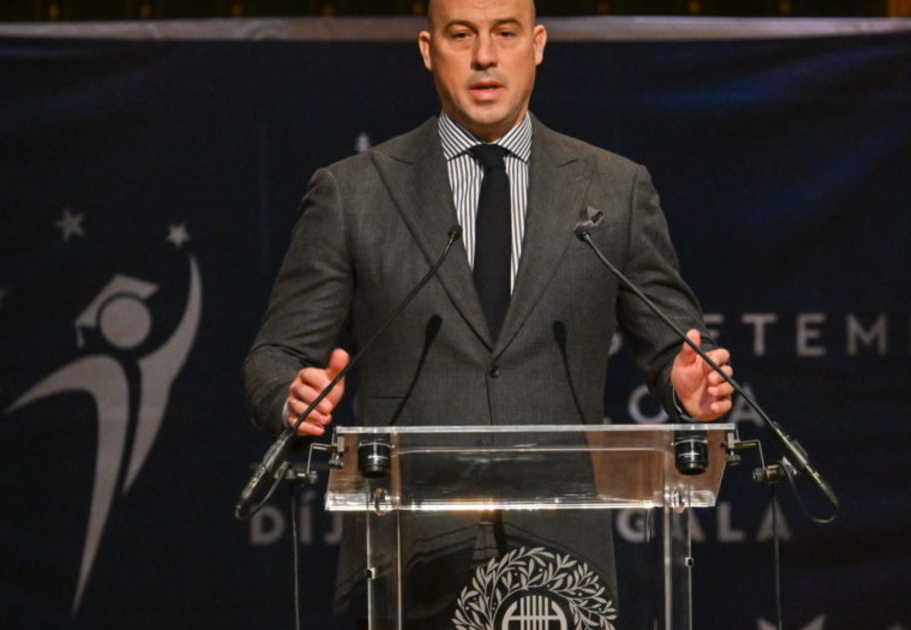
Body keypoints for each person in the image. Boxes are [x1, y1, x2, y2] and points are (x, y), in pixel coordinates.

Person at [242, 0, 734, 625]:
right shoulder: (354, 192)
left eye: (505, 33)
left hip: (561, 573)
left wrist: (686, 387)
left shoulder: (614, 188)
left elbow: (673, 345)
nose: (484, 56)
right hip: (405, 567)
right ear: (428, 50)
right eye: (461, 35)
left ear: (538, 44)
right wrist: (291, 394)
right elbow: (276, 355)